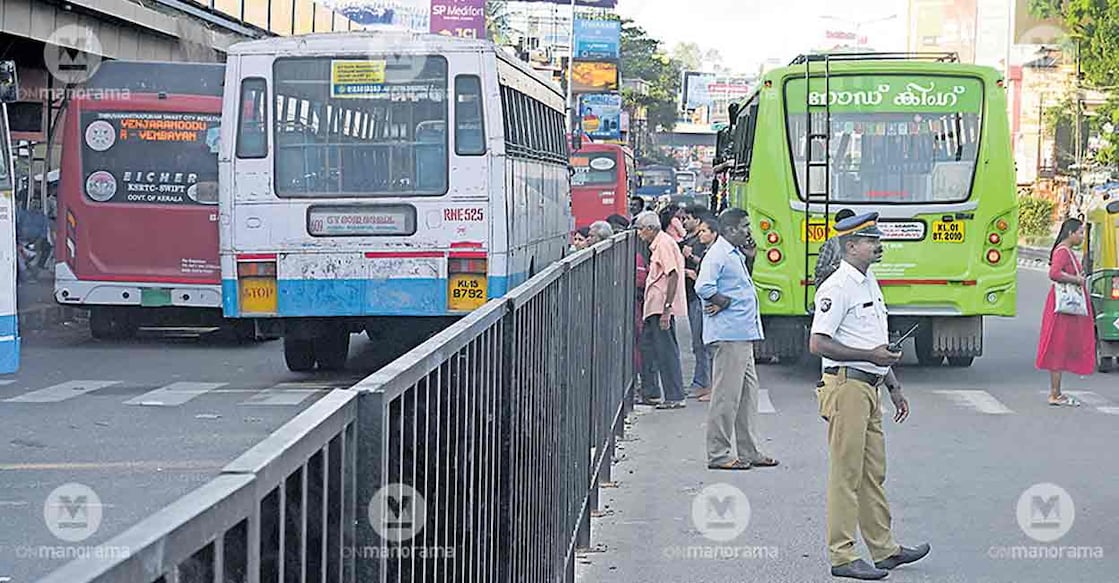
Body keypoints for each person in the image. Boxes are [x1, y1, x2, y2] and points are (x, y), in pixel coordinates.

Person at [808, 212, 930, 581]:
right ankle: (842, 555)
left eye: (877, 240)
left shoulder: (868, 281)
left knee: (872, 473)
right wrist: (870, 357)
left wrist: (893, 384)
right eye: (870, 241)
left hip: (870, 386)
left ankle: (884, 549)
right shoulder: (837, 287)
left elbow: (873, 340)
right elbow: (818, 344)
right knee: (846, 475)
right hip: (847, 387)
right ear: (850, 246)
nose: (878, 246)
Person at [695, 210, 777, 471]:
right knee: (726, 397)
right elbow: (703, 286)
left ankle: (749, 450)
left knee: (747, 397)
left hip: (743, 333)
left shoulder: (734, 253)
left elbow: (738, 284)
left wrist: (750, 258)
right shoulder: (718, 254)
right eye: (744, 226)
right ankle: (718, 453)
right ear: (730, 230)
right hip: (729, 335)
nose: (749, 231)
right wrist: (723, 302)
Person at [1036, 217, 1096, 406]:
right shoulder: (1063, 251)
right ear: (1070, 233)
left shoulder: (1065, 250)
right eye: (1080, 233)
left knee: (1060, 345)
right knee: (1058, 345)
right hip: (1062, 307)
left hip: (1064, 306)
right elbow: (1054, 273)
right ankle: (1055, 394)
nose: (1082, 237)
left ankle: (1057, 392)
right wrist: (1076, 279)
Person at [634, 210, 688, 409]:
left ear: (650, 228)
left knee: (666, 352)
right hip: (653, 307)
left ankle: (674, 396)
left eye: (641, 229)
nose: (639, 233)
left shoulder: (664, 244)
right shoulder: (659, 244)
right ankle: (651, 392)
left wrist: (667, 309)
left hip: (660, 307)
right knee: (648, 349)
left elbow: (672, 274)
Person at [681, 205, 713, 400]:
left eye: (704, 231)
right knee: (698, 343)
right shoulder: (693, 242)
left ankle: (705, 384)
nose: (684, 222)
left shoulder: (713, 251)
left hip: (700, 299)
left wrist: (691, 263)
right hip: (695, 298)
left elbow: (704, 272)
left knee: (703, 344)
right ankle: (701, 382)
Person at [814, 208, 857, 285]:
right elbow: (819, 271)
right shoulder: (831, 243)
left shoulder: (859, 242)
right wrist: (838, 267)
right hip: (833, 285)